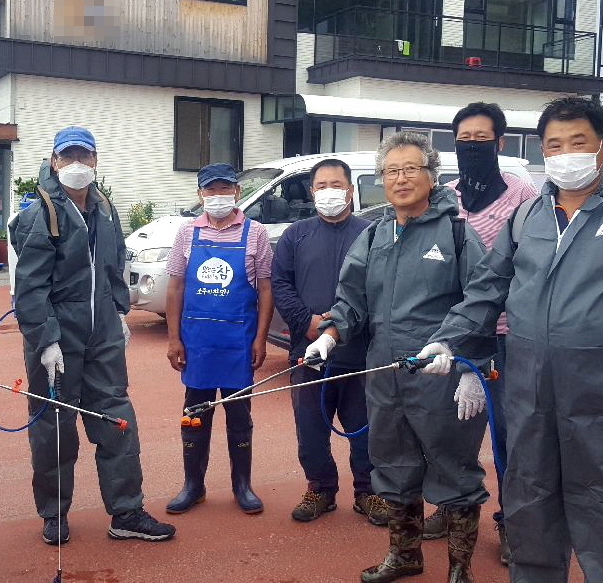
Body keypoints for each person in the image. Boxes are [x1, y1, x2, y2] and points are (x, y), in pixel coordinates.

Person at [422, 97, 603, 583]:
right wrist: (449, 341)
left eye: (578, 142)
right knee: (530, 502)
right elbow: (486, 289)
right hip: (529, 394)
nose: (566, 153)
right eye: (554, 145)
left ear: (602, 148)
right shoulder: (526, 218)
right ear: (543, 151)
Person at [305, 132, 494, 583]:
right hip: (384, 374)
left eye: (411, 168)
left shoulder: (457, 232)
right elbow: (351, 300)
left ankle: (459, 570)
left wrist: (467, 359)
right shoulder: (374, 235)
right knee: (393, 465)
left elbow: (484, 299)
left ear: (431, 175)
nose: (401, 178)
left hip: (442, 375)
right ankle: (405, 555)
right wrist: (330, 335)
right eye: (392, 170)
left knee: (454, 468)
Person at [10, 126, 175, 546]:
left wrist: (119, 311)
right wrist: (44, 338)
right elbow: (30, 287)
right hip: (57, 333)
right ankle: (54, 513)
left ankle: (126, 510)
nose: (77, 165)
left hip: (101, 330)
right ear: (53, 162)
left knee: (117, 418)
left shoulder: (104, 209)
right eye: (68, 157)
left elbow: (114, 263)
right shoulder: (40, 214)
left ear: (96, 161)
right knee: (55, 426)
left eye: (84, 156)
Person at [422, 102, 537, 565]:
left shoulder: (523, 194)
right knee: (451, 432)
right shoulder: (446, 196)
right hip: (457, 333)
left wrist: (487, 347)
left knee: (511, 435)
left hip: (508, 337)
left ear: (500, 143)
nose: (471, 147)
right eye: (463, 139)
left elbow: (527, 268)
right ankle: (455, 508)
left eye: (481, 139)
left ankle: (513, 523)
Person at [271, 158, 387, 526]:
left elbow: (378, 289)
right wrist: (307, 322)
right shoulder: (295, 235)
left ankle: (369, 491)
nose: (329, 192)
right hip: (309, 353)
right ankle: (320, 488)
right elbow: (280, 283)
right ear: (312, 191)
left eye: (336, 184)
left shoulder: (372, 232)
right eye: (321, 186)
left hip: (359, 352)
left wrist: (339, 326)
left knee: (363, 426)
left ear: (351, 190)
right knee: (310, 427)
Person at [165, 162, 274, 514]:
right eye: (210, 189)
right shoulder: (187, 233)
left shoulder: (255, 232)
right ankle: (192, 485)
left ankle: (242, 485)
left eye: (224, 188)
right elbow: (176, 287)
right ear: (200, 194)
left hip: (237, 342)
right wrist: (173, 338)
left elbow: (266, 290)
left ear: (237, 191)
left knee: (239, 416)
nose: (217, 195)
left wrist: (260, 338)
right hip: (196, 342)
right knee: (194, 413)